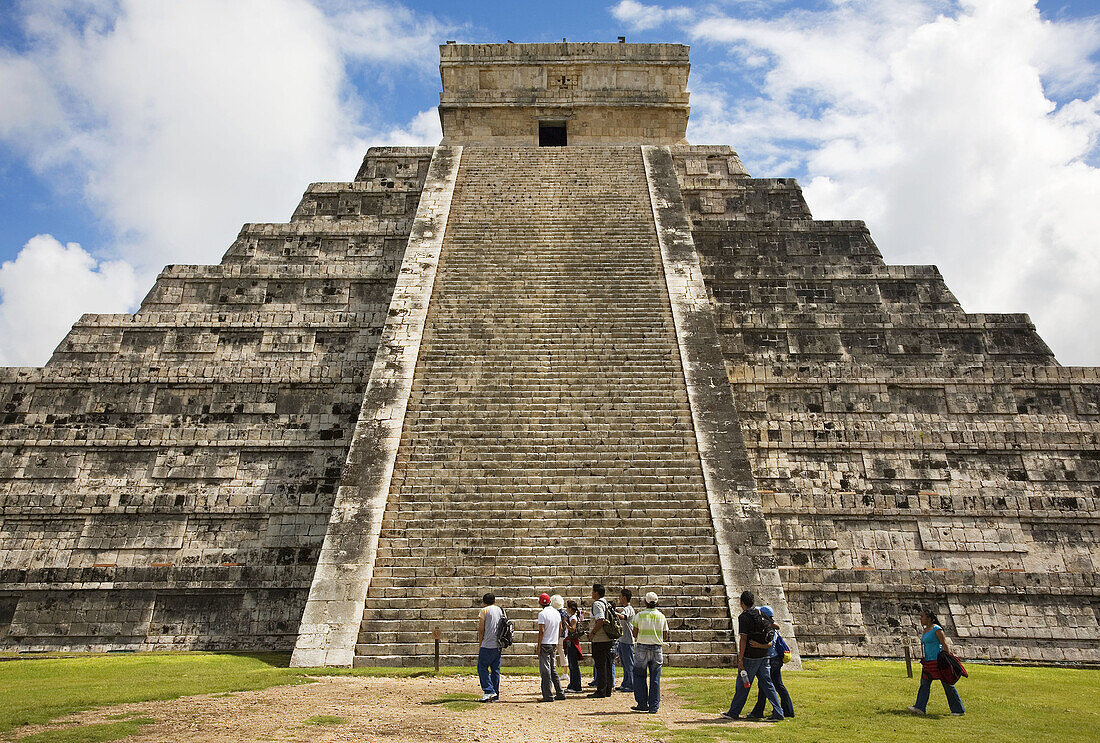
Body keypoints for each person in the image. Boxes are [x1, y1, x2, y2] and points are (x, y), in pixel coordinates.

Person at [721, 590, 784, 722]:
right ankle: (778, 712)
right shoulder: (761, 613)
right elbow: (775, 626)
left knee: (743, 684)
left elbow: (743, 639)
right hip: (764, 654)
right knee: (768, 684)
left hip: (751, 656)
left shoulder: (744, 616)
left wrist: (740, 658)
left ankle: (734, 712)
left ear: (742, 603)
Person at [909, 608, 965, 716]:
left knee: (948, 684)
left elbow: (944, 644)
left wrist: (947, 659)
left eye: (922, 616)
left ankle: (958, 709)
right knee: (924, 684)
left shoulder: (937, 629)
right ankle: (920, 707)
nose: (920, 619)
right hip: (928, 661)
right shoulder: (926, 630)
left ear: (929, 618)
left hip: (938, 661)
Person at [747, 606, 794, 719]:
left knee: (766, 685)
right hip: (776, 659)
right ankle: (787, 710)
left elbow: (770, 644)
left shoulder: (769, 627)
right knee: (776, 685)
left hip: (773, 659)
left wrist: (758, 645)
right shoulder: (770, 625)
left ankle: (762, 711)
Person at [630, 591, 669, 714]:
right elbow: (665, 634)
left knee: (639, 676)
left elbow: (634, 633)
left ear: (645, 602)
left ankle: (642, 703)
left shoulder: (640, 615)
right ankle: (654, 706)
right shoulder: (661, 616)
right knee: (655, 678)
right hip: (657, 648)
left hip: (642, 647)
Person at [536, 592, 566, 702]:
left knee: (545, 671)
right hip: (553, 643)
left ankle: (547, 695)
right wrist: (556, 640)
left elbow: (541, 631)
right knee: (552, 669)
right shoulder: (556, 613)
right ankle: (560, 692)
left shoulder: (542, 614)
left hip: (545, 643)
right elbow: (561, 628)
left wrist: (538, 646)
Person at [587, 583, 615, 698]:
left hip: (600, 638)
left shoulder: (597, 604)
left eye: (593, 591)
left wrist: (593, 632)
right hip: (607, 638)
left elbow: (600, 619)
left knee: (600, 665)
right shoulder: (606, 603)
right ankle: (607, 689)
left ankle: (601, 690)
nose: (592, 594)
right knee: (607, 664)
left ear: (596, 593)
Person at [476, 592, 503, 702]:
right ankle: (495, 693)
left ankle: (488, 691)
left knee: (482, 667)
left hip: (487, 644)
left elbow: (481, 629)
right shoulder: (500, 610)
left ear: (483, 602)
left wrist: (480, 643)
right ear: (494, 601)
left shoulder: (484, 611)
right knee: (495, 669)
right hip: (498, 644)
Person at [615, 589, 637, 693]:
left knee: (629, 664)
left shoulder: (628, 609)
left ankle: (632, 684)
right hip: (623, 640)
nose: (619, 598)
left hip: (627, 640)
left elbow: (624, 617)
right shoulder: (625, 609)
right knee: (624, 663)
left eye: (620, 596)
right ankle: (626, 683)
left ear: (624, 597)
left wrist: (613, 612)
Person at [563, 599, 585, 693]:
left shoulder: (573, 618)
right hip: (571, 642)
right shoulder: (572, 616)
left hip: (572, 642)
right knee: (572, 664)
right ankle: (573, 684)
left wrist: (566, 624)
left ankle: (576, 685)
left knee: (573, 664)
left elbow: (572, 629)